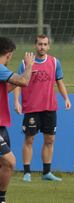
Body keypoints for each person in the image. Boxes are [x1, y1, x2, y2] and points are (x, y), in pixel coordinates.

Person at [13, 34, 71, 182]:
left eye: (45, 44)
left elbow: (60, 82)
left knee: (50, 140)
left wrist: (66, 98)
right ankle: (27, 172)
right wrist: (16, 102)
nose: (42, 47)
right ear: (35, 45)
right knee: (29, 140)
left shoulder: (54, 62)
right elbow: (18, 83)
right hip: (32, 108)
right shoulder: (26, 63)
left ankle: (46, 173)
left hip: (49, 108)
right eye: (40, 44)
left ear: (49, 46)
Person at [0, 37, 34, 203]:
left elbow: (7, 88)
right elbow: (24, 82)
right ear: (8, 54)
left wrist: (21, 76)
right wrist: (28, 67)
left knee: (3, 165)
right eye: (11, 55)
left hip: (1, 125)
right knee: (10, 162)